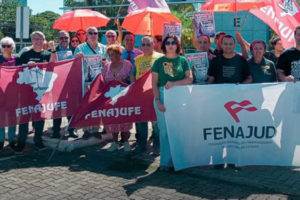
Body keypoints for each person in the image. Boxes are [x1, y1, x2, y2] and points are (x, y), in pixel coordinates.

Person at [152, 35, 193, 171]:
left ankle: (179, 160)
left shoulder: (183, 60)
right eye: (168, 43)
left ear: (177, 45)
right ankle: (165, 162)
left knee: (178, 130)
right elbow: (154, 83)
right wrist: (158, 101)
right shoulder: (158, 62)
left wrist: (175, 83)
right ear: (164, 46)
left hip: (179, 97)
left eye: (173, 43)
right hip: (162, 97)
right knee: (164, 131)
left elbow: (189, 79)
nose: (170, 45)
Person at [15, 31, 57, 152]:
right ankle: (21, 143)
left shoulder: (47, 53)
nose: (38, 41)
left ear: (44, 40)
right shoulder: (25, 53)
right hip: (26, 91)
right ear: (32, 40)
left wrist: (53, 49)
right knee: (24, 118)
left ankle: (38, 141)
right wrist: (26, 64)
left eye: (40, 39)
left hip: (41, 93)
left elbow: (55, 63)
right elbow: (16, 69)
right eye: (35, 39)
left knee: (39, 118)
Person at [130, 36, 162, 155]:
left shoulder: (160, 57)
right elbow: (132, 74)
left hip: (155, 94)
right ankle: (142, 146)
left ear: (153, 45)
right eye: (143, 45)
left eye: (148, 44)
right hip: (141, 95)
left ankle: (157, 147)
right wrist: (134, 86)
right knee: (141, 122)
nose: (145, 47)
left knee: (156, 123)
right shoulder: (137, 59)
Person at [74, 26, 107, 139]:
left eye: (95, 33)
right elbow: (74, 65)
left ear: (98, 35)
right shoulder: (80, 48)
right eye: (91, 33)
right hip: (86, 82)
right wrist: (77, 58)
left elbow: (108, 63)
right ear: (87, 35)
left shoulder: (103, 48)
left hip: (99, 82)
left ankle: (96, 129)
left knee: (97, 106)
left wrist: (106, 63)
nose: (93, 35)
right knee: (86, 106)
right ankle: (87, 130)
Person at [103, 45, 132, 152]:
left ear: (119, 54)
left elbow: (132, 80)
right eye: (109, 54)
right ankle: (115, 142)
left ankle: (126, 142)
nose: (111, 56)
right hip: (111, 99)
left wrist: (123, 81)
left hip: (125, 98)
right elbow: (103, 82)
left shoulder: (127, 64)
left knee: (125, 120)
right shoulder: (106, 66)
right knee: (113, 120)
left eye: (113, 54)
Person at [51, 31, 78, 139]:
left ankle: (72, 129)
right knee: (57, 107)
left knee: (71, 107)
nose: (64, 40)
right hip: (56, 83)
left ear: (69, 39)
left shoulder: (75, 50)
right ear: (58, 39)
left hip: (70, 83)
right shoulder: (53, 50)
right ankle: (56, 131)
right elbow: (50, 64)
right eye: (61, 38)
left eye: (66, 38)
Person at [0, 37, 18, 150]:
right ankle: (1, 141)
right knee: (0, 118)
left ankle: (11, 140)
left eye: (8, 46)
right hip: (0, 94)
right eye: (4, 46)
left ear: (12, 47)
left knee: (12, 118)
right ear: (1, 48)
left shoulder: (18, 60)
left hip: (13, 94)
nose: (6, 48)